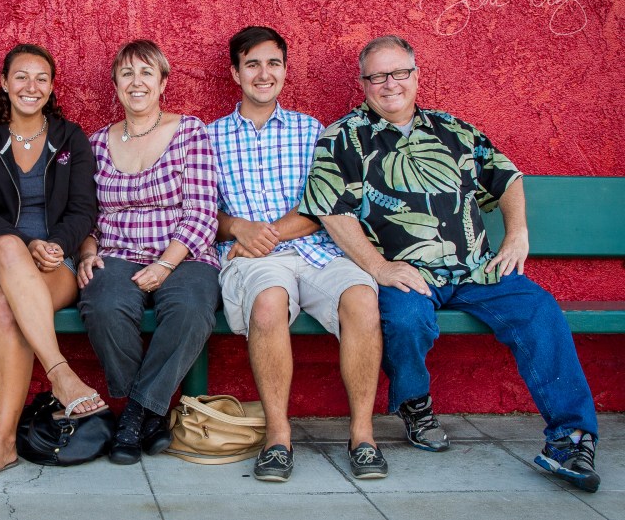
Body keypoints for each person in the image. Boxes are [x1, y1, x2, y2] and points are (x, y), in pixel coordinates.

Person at [301, 34, 600, 492]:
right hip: (405, 272)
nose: (389, 84)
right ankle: (415, 404)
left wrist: (517, 233)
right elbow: (331, 209)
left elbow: (507, 178)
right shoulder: (342, 137)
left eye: (399, 72)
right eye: (377, 76)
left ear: (416, 76)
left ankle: (571, 437)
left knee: (540, 310)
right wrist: (379, 268)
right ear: (363, 84)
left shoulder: (455, 131)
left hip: (476, 270)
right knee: (404, 320)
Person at [207, 26, 386, 482]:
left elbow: (324, 204)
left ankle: (362, 436)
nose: (263, 74)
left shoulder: (313, 132)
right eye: (252, 64)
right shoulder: (209, 138)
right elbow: (203, 210)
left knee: (363, 297)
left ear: (285, 71)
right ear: (235, 73)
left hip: (314, 249)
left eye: (273, 64)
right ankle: (278, 437)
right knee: (268, 302)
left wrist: (269, 230)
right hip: (251, 257)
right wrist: (237, 228)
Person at [0, 44, 104, 481]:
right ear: (4, 83)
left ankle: (1, 443)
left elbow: (83, 210)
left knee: (8, 305)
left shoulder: (70, 139)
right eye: (21, 76)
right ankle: (60, 373)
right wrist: (26, 243)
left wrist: (54, 244)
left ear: (52, 86)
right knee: (8, 249)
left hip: (54, 264)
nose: (30, 86)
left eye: (41, 78)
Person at [78, 39, 220, 465]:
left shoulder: (189, 131)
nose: (136, 82)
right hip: (117, 251)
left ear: (162, 83)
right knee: (103, 304)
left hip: (185, 254)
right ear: (116, 85)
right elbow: (85, 212)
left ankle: (136, 412)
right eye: (126, 74)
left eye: (146, 73)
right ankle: (154, 415)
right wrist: (87, 250)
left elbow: (202, 213)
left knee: (193, 308)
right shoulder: (98, 142)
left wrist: (165, 263)